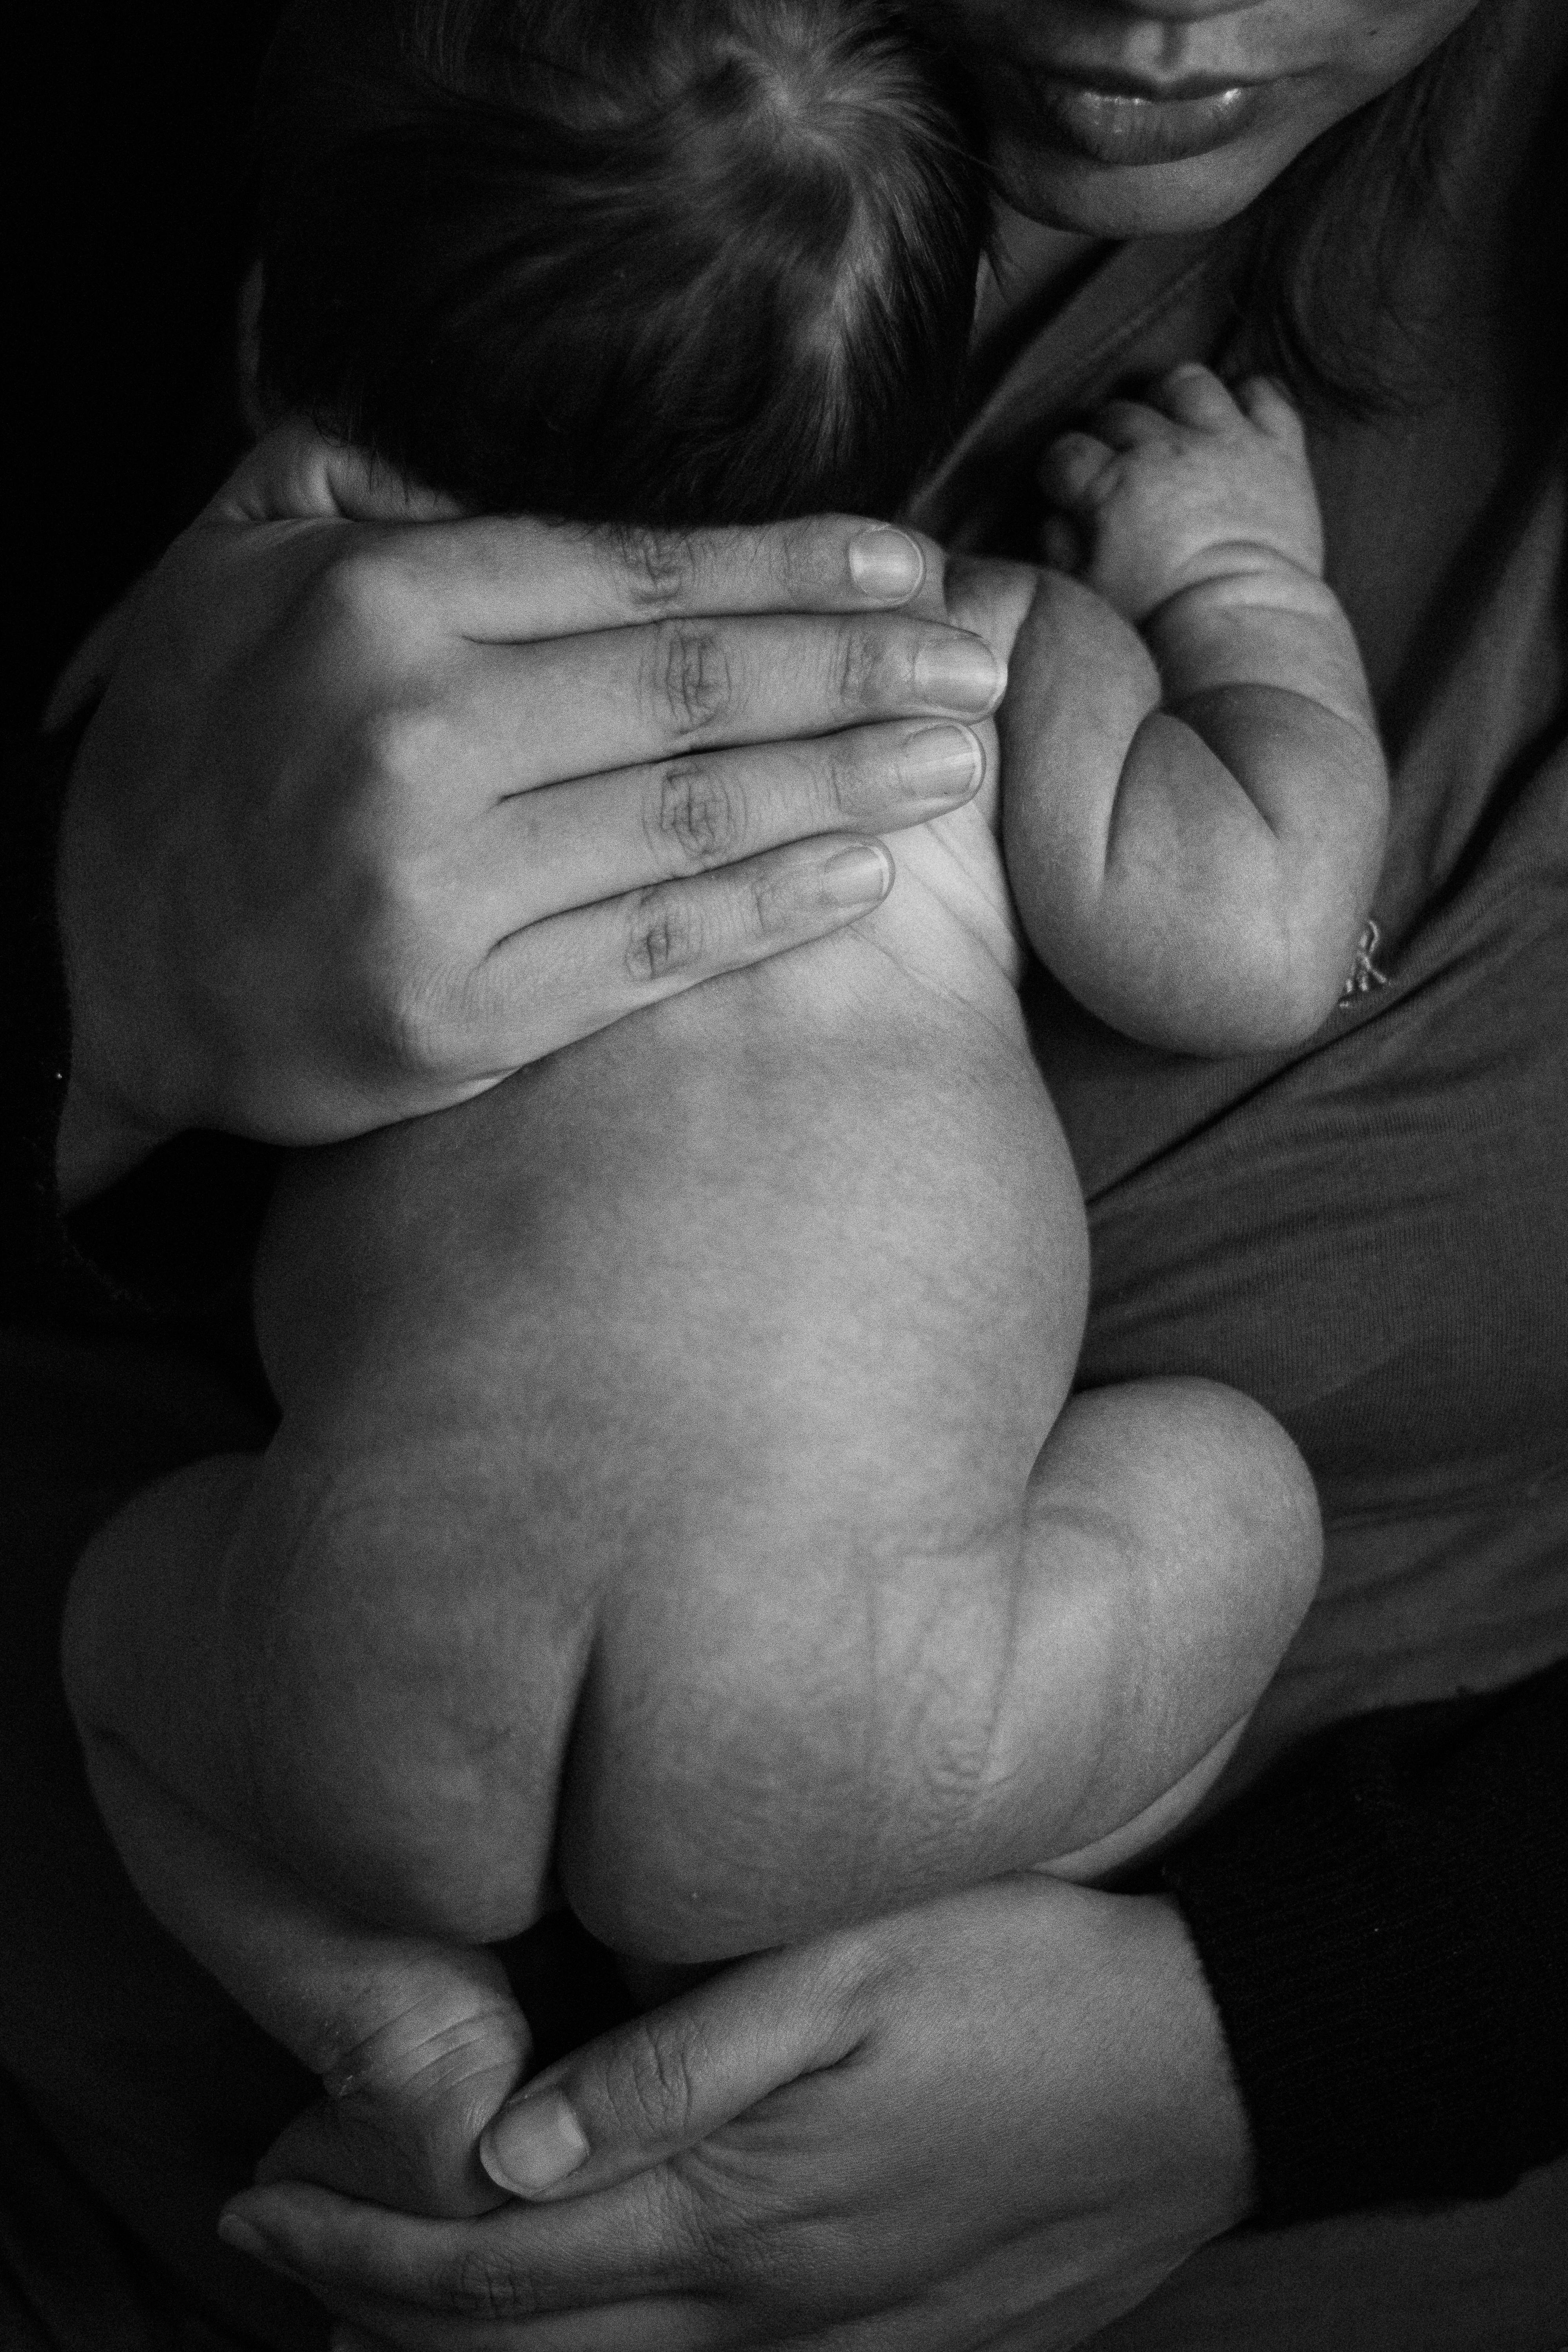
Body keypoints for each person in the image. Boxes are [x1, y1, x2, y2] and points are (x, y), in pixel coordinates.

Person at [3, 1, 1564, 2349]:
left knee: (128, 1629)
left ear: (292, 396)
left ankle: (415, 2036)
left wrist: (1283, 2028)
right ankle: (784, 1950)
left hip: (365, 1699)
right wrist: (1241, 595)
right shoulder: (969, 653)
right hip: (866, 1734)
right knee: (1224, 1492)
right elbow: (1245, 941)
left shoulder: (262, 618)